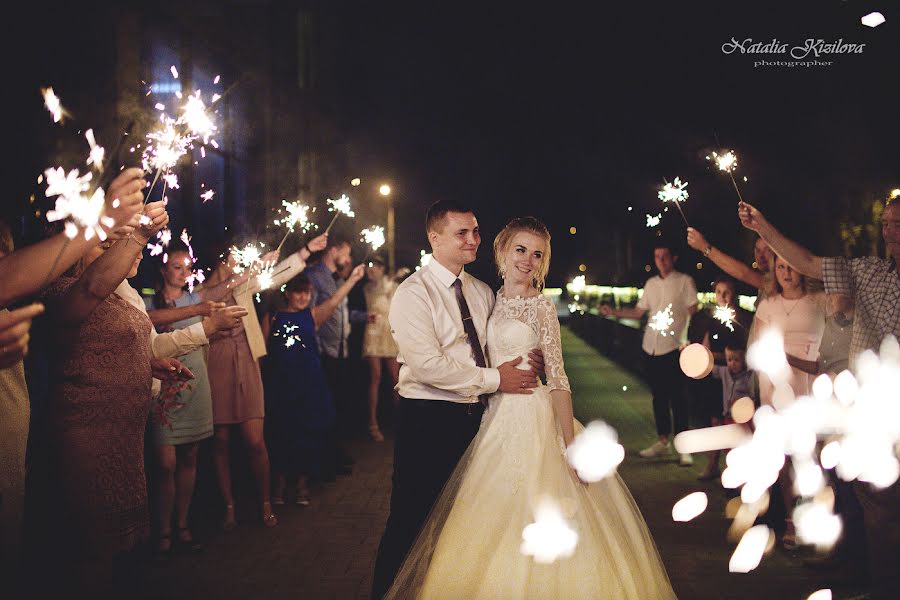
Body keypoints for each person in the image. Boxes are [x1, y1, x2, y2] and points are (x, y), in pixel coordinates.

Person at [385, 216, 675, 599]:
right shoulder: (490, 298)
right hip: (490, 417)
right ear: (502, 251)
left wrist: (570, 445)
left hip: (532, 416)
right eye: (520, 249)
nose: (527, 259)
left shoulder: (542, 308)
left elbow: (559, 379)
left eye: (537, 254)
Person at [371, 202, 544, 599]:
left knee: (463, 523)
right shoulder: (413, 293)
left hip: (477, 419)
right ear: (435, 238)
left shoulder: (481, 291)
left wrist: (526, 356)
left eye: (476, 232)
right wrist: (495, 377)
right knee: (410, 520)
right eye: (461, 233)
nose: (473, 240)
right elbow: (428, 365)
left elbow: (492, 344)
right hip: (427, 419)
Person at [740, 199, 899, 599]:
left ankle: (883, 585)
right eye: (885, 223)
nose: (888, 231)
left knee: (884, 505)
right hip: (861, 409)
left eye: (897, 223)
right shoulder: (869, 271)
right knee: (863, 497)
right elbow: (810, 263)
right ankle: (864, 571)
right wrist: (763, 227)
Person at [31, 201, 171, 593]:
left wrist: (151, 365)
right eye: (102, 245)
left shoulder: (117, 296)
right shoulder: (59, 293)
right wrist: (141, 232)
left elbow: (122, 344)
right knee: (85, 553)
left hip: (123, 439)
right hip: (86, 435)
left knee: (111, 556)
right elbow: (91, 289)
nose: (112, 249)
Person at [202, 231, 328, 530]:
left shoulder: (246, 282)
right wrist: (246, 272)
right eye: (236, 254)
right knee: (220, 440)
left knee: (255, 441)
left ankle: (265, 502)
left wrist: (306, 250)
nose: (242, 258)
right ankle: (229, 506)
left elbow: (280, 273)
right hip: (217, 362)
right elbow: (209, 296)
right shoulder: (206, 286)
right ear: (224, 258)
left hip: (247, 360)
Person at [144, 243, 247, 556]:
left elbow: (222, 288)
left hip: (195, 386)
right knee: (165, 464)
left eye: (187, 267)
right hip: (164, 391)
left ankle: (182, 524)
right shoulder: (148, 300)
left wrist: (247, 271)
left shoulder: (196, 297)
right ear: (164, 269)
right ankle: (161, 530)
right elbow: (149, 321)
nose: (183, 272)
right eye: (177, 266)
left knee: (189, 459)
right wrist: (197, 311)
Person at [261, 268, 362, 505]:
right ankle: (279, 486)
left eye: (307, 293)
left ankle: (302, 487)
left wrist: (353, 279)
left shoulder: (311, 316)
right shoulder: (272, 317)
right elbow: (262, 353)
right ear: (287, 293)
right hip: (281, 385)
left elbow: (335, 300)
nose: (303, 297)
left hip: (308, 385)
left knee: (306, 435)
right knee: (281, 434)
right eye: (298, 293)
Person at [600, 242, 699, 465]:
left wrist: (690, 339)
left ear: (674, 257)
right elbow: (638, 312)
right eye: (657, 257)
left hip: (674, 347)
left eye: (665, 256)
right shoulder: (651, 284)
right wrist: (612, 312)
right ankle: (663, 441)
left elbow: (695, 312)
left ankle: (683, 447)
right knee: (659, 397)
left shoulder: (685, 282)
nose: (661, 261)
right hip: (651, 347)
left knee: (678, 398)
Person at [306, 234, 372, 439]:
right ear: (333, 251)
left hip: (340, 349)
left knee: (338, 401)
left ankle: (335, 451)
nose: (348, 258)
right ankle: (324, 457)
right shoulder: (315, 275)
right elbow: (310, 314)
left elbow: (340, 311)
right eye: (346, 253)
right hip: (322, 351)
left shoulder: (336, 279)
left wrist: (364, 317)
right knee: (322, 406)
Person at [700, 342, 757, 481]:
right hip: (728, 417)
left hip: (742, 420)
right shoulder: (724, 372)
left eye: (736, 360)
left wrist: (742, 404)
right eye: (729, 360)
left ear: (744, 360)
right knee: (729, 449)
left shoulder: (749, 377)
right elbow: (710, 368)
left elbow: (753, 397)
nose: (732, 363)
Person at [362, 257, 402, 441]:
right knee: (375, 377)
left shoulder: (393, 286)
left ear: (381, 269)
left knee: (395, 377)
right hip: (373, 332)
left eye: (374, 268)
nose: (370, 271)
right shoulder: (367, 288)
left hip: (389, 332)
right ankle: (372, 423)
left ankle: (401, 420)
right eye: (368, 268)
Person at [687, 226, 774, 307]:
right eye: (758, 250)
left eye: (767, 250)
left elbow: (743, 273)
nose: (761, 256)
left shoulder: (776, 281)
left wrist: (704, 247)